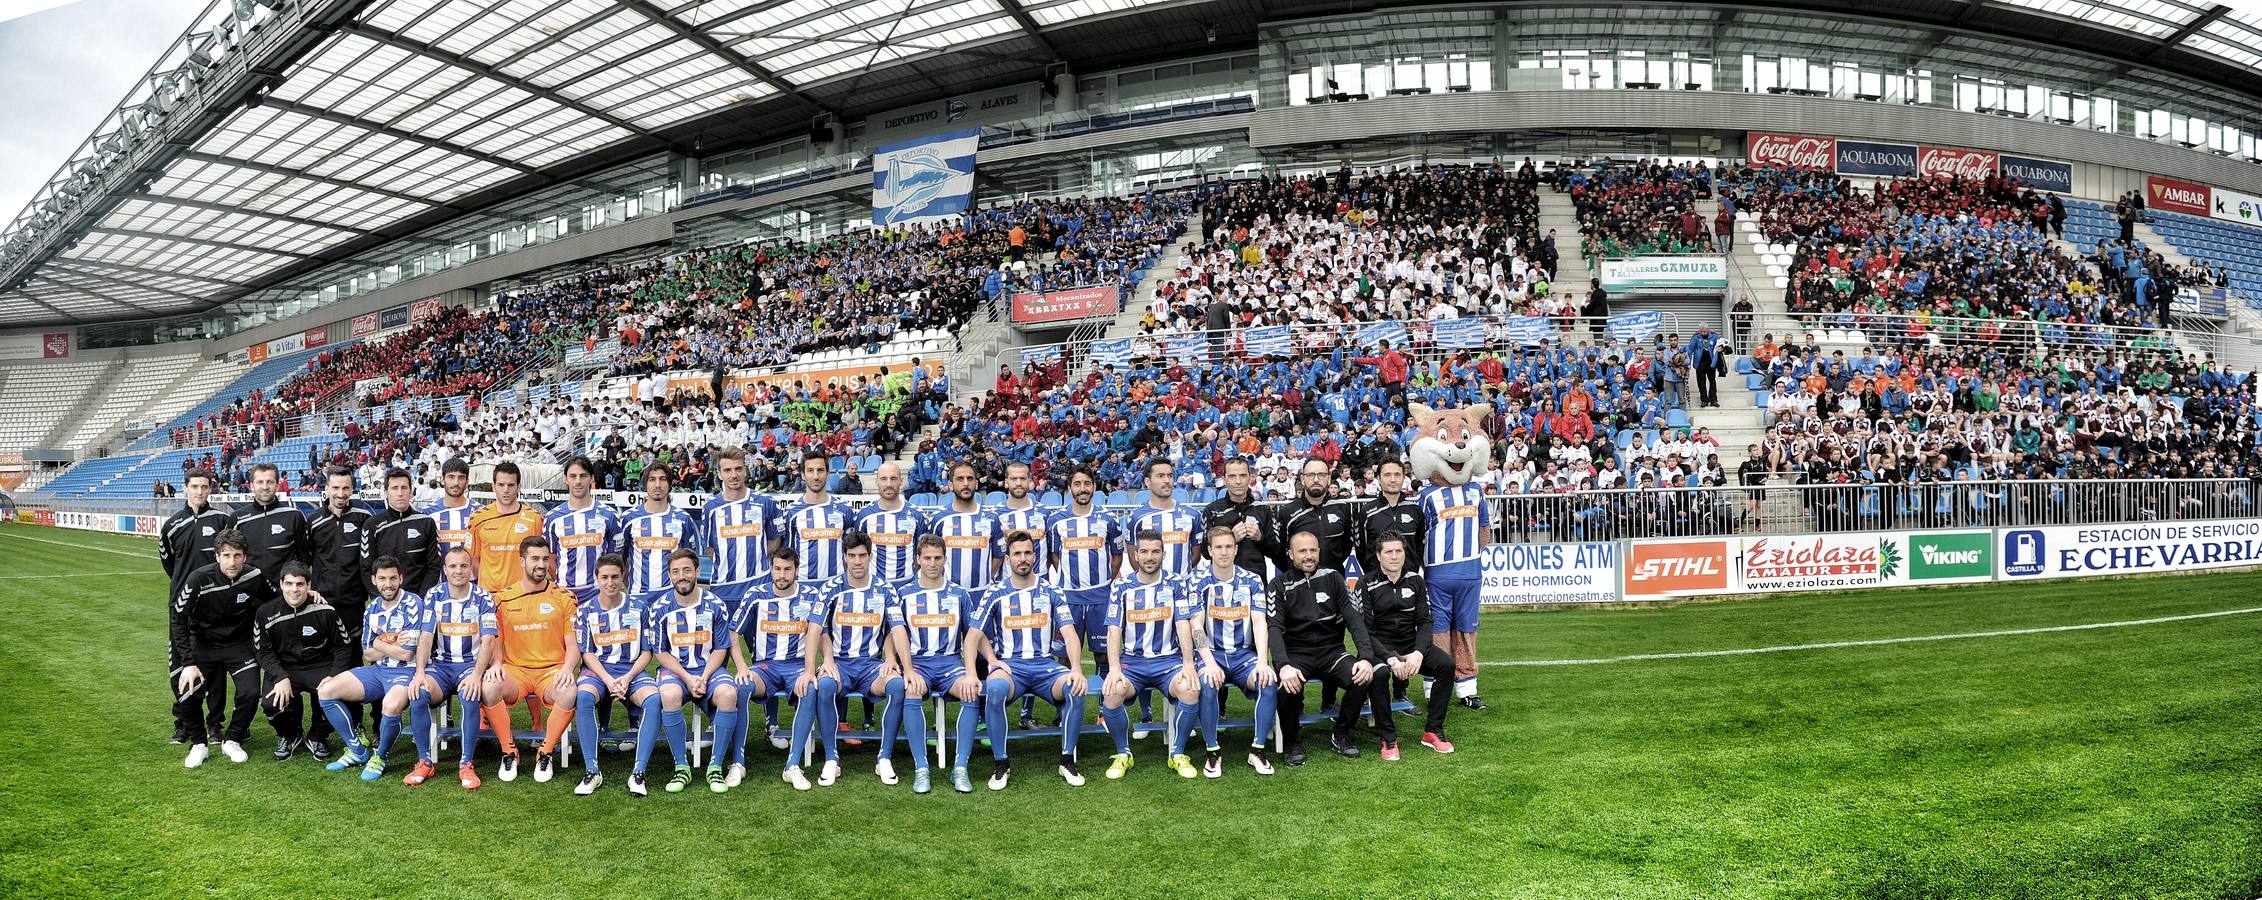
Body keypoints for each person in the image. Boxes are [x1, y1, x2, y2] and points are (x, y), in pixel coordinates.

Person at [969, 532, 1090, 791]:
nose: (1022, 559)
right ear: (1008, 558)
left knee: (1075, 688)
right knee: (996, 689)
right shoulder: (996, 592)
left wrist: (1077, 669)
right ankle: (1001, 764)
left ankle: (1067, 760)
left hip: (1046, 667)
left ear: (1035, 556)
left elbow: (1070, 633)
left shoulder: (1050, 590)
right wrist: (990, 660)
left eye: (1027, 553)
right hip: (1012, 668)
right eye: (1017, 553)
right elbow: (973, 636)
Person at [795, 534, 897, 790]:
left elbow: (894, 628)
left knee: (896, 686)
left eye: (862, 555)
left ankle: (884, 758)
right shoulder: (831, 588)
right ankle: (832, 758)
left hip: (871, 665)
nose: (857, 561)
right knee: (825, 686)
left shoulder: (885, 588)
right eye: (851, 556)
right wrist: (811, 670)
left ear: (870, 557)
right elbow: (815, 629)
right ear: (844, 558)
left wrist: (893, 659)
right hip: (839, 664)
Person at [1098, 531, 1202, 780]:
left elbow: (1183, 624)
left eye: (1155, 551)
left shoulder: (1176, 583)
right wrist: (1114, 669)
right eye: (1144, 551)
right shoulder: (1122, 586)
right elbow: (1114, 630)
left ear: (1164, 554)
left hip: (1168, 661)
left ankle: (1177, 753)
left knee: (1190, 688)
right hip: (1133, 662)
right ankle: (1123, 754)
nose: (1149, 556)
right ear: (1135, 555)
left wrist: (1188, 664)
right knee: (1111, 693)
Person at [171, 528, 279, 768]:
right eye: (227, 555)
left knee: (251, 692)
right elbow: (178, 618)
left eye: (237, 555)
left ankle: (232, 739)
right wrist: (188, 663)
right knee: (187, 690)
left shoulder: (254, 576)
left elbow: (276, 599)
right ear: (217, 556)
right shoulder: (198, 579)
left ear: (245, 556)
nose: (232, 562)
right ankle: (199, 744)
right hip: (203, 645)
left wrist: (308, 595)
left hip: (238, 645)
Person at [1267, 530, 1378, 765]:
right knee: (1286, 688)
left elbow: (1354, 619)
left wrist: (1366, 657)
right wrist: (1283, 664)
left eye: (1313, 550)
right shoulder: (1278, 584)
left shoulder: (1334, 577)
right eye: (1302, 551)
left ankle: (1342, 733)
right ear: (1290, 554)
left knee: (1363, 677)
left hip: (1332, 652)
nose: (1308, 556)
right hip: (1296, 654)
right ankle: (1293, 742)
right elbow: (1274, 628)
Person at [887, 535, 985, 795]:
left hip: (951, 663)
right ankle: (921, 768)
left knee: (970, 689)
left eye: (937, 558)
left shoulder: (959, 594)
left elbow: (974, 632)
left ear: (945, 559)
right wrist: (895, 662)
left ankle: (960, 767)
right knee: (911, 690)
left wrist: (994, 660)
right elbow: (892, 632)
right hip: (918, 664)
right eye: (927, 558)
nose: (932, 563)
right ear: (918, 559)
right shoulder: (904, 594)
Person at [479, 535, 581, 784]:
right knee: (489, 687)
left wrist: (568, 668)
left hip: (551, 671)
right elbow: (495, 640)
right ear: (522, 561)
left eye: (545, 559)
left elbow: (573, 644)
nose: (541, 564)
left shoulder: (565, 598)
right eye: (535, 558)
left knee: (569, 692)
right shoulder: (502, 599)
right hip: (516, 671)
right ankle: (509, 751)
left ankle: (545, 752)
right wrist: (496, 665)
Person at [314, 556, 426, 781]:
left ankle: (380, 756)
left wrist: (379, 642)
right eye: (382, 578)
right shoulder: (372, 608)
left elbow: (408, 653)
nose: (388, 584)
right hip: (378, 671)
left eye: (393, 578)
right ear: (374, 580)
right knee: (326, 690)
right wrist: (389, 643)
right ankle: (357, 750)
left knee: (391, 704)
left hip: (406, 672)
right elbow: (367, 654)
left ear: (401, 578)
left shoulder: (413, 603)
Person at [702, 446, 787, 739]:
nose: (734, 475)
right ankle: (717, 716)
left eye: (738, 468)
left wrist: (753, 564)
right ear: (719, 473)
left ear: (746, 469)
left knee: (765, 654)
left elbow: (775, 543)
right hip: (724, 593)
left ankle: (771, 720)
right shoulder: (711, 508)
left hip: (759, 591)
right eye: (727, 470)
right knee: (719, 657)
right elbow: (712, 550)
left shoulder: (765, 503)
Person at [1182, 527, 1279, 776]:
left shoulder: (1252, 580)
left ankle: (1257, 750)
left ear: (1236, 550)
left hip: (1242, 655)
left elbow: (1259, 622)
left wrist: (1261, 661)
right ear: (1210, 551)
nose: (1224, 552)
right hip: (1210, 654)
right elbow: (1196, 625)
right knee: (1208, 682)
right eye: (1218, 547)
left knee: (1267, 681)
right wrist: (1210, 662)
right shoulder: (1197, 580)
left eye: (1228, 546)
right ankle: (1212, 752)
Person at [646, 548, 743, 794]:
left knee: (729, 694)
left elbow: (722, 647)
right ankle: (681, 766)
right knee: (668, 695)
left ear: (698, 572)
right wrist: (688, 678)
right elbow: (661, 652)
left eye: (687, 570)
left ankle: (715, 766)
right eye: (676, 572)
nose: (682, 576)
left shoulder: (715, 604)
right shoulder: (660, 608)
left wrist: (703, 676)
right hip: (676, 671)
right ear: (670, 576)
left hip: (708, 669)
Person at [1357, 535, 1457, 759]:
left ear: (1405, 554)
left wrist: (1418, 653)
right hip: (1379, 648)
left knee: (1447, 666)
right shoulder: (1366, 583)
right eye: (1388, 552)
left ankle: (1433, 731)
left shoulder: (1416, 581)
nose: (1394, 556)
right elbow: (1365, 631)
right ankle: (1388, 738)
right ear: (1378, 555)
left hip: (1410, 645)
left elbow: (1425, 622)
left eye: (1398, 551)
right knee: (1380, 673)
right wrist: (1391, 658)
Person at [406, 547, 497, 789]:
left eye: (463, 566)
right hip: (442, 667)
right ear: (445, 570)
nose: (458, 571)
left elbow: (489, 639)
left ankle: (466, 764)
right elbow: (426, 636)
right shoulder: (434, 595)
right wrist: (419, 673)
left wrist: (478, 675)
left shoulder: (484, 597)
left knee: (470, 694)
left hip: (470, 665)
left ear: (471, 568)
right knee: (419, 693)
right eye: (453, 566)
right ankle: (424, 761)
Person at [1043, 465, 1123, 726]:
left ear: (1094, 487)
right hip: (1069, 599)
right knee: (1065, 657)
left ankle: (1104, 711)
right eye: (1077, 484)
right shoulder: (1056, 521)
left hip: (1101, 598)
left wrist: (1100, 585)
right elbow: (1055, 557)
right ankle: (1064, 710)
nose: (1083, 489)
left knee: (1104, 656)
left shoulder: (1108, 520)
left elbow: (1117, 557)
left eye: (1087, 483)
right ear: (1069, 489)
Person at [571, 553, 655, 795]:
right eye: (605, 577)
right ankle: (592, 771)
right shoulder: (585, 611)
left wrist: (627, 678)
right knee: (584, 697)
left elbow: (647, 652)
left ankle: (639, 773)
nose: (610, 582)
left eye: (615, 576)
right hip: (598, 672)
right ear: (596, 578)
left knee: (654, 700)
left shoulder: (640, 608)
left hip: (633, 671)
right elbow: (587, 653)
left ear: (623, 577)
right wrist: (608, 680)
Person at [251, 561, 352, 762]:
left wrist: (333, 676)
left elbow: (344, 646)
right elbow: (262, 651)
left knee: (337, 694)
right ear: (281, 584)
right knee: (271, 703)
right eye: (289, 584)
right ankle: (290, 735)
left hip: (319, 665)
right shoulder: (265, 612)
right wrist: (280, 676)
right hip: (285, 667)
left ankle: (318, 736)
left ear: (308, 585)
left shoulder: (325, 610)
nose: (294, 589)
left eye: (299, 584)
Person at [160, 466, 231, 744]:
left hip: (214, 606)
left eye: (204, 487)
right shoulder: (172, 526)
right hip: (181, 608)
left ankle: (215, 724)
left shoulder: (222, 521)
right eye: (194, 487)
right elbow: (169, 563)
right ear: (185, 488)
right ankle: (184, 723)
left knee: (214, 669)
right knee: (180, 666)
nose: (199, 492)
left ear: (210, 489)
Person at [730, 546, 814, 777]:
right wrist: (742, 667)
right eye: (777, 568)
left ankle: (793, 764)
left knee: (811, 687)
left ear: (797, 570)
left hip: (796, 666)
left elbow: (822, 633)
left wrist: (818, 665)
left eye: (787, 569)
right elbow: (733, 633)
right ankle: (738, 762)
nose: (782, 575)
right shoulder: (756, 595)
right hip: (765, 668)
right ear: (771, 569)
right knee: (742, 685)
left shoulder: (810, 596)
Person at [1420, 453, 1492, 709]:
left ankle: (1467, 689)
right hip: (1437, 574)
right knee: (1437, 632)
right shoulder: (1427, 495)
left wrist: (1472, 557)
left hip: (1469, 573)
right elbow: (1421, 533)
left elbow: (1484, 528)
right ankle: (1434, 687)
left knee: (1466, 630)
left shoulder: (1476, 491)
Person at [308, 467, 374, 676]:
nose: (341, 493)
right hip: (322, 601)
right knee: (322, 659)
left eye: (346, 488)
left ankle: (355, 708)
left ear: (352, 489)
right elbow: (306, 560)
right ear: (326, 489)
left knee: (354, 658)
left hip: (353, 603)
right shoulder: (314, 521)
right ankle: (322, 709)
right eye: (335, 487)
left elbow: (369, 561)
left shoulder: (363, 518)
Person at [545, 455, 622, 606]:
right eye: (573, 476)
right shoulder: (553, 517)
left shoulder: (609, 515)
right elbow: (550, 557)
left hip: (599, 594)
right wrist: (562, 585)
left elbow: (615, 557)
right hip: (564, 595)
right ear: (566, 479)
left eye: (583, 476)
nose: (578, 481)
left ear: (591, 479)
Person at [227, 462, 311, 589]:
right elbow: (228, 557)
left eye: (270, 482)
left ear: (277, 485)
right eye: (260, 482)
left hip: (283, 594)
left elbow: (304, 559)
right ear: (251, 486)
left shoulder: (293, 516)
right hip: (247, 592)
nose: (265, 487)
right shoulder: (237, 518)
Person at [467, 461, 545, 594]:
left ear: (519, 487)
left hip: (523, 595)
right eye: (501, 485)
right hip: (490, 595)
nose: (506, 490)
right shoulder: (477, 518)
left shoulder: (535, 518)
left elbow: (541, 558)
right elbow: (473, 558)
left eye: (511, 485)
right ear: (493, 486)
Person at [621, 464, 694, 599]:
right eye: (652, 479)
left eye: (663, 479)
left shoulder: (683, 519)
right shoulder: (628, 518)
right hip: (638, 597)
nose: (658, 485)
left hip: (672, 598)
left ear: (670, 484)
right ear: (645, 484)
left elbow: (689, 560)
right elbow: (621, 559)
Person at [364, 468, 440, 597]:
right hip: (385, 603)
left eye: (404, 488)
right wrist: (382, 601)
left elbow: (433, 567)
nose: (400, 493)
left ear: (411, 491)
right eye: (394, 488)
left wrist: (420, 600)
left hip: (418, 602)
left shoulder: (427, 523)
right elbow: (366, 569)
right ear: (386, 492)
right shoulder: (372, 525)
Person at [931, 461, 1001, 595]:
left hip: (981, 594)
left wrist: (983, 579)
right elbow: (929, 556)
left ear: (976, 483)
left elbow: (998, 556)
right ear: (950, 485)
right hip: (947, 595)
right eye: (960, 479)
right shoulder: (938, 519)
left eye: (970, 478)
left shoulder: (991, 518)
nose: (965, 483)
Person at [853, 460, 926, 586]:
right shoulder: (864, 515)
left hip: (907, 585)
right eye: (883, 479)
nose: (888, 484)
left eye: (893, 478)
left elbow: (921, 553)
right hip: (874, 586)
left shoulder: (917, 515)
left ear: (901, 481)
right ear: (876, 481)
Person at [785, 452, 854, 584]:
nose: (816, 476)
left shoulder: (844, 510)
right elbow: (787, 555)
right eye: (810, 471)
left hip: (837, 586)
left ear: (828, 473)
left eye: (820, 470)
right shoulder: (791, 513)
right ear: (803, 475)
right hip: (803, 587)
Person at [1201, 457, 1270, 577]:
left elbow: (1275, 552)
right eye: (1232, 476)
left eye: (1243, 476)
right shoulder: (1211, 510)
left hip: (1256, 584)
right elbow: (1205, 553)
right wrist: (1230, 539)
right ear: (1224, 479)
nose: (1238, 481)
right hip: (1220, 583)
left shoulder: (1263, 509)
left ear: (1250, 478)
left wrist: (1260, 537)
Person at [424, 458, 480, 556]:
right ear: (442, 479)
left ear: (467, 482)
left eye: (461, 478)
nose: (456, 483)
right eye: (451, 477)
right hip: (439, 571)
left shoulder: (479, 512)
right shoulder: (428, 513)